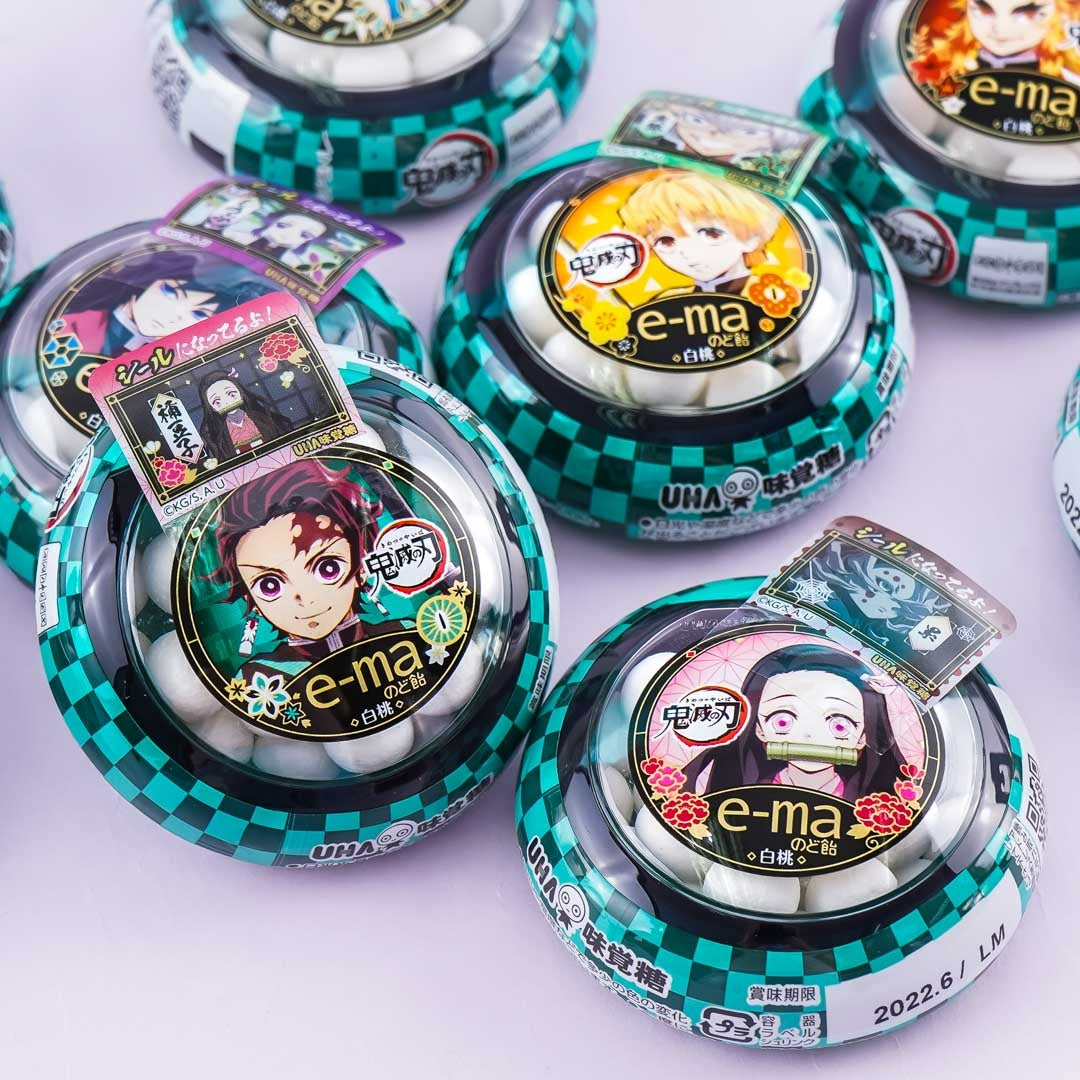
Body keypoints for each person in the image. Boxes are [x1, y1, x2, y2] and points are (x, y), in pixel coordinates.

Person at [211, 460, 385, 677]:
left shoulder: (409, 632)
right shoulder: (255, 678)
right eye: (269, 585)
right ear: (250, 599)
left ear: (361, 565)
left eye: (328, 568)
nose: (306, 598)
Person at [681, 643, 911, 801]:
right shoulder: (741, 795)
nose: (809, 735)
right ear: (759, 729)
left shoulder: (874, 807)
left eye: (839, 726)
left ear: (863, 737)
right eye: (782, 721)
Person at [54, 250, 269, 357]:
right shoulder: (72, 324)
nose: (175, 314)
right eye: (170, 292)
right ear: (150, 281)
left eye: (199, 315)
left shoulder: (165, 362)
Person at [618, 170, 783, 297]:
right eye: (666, 241)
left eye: (711, 234)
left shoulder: (772, 295)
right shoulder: (670, 300)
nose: (688, 252)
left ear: (752, 238)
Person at [915, 0, 1080, 82]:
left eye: (1028, 14)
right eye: (984, 10)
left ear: (1062, 13)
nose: (1001, 29)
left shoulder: (1070, 77)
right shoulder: (942, 66)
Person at [196, 370, 290, 463]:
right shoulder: (220, 438)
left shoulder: (264, 419)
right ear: (212, 408)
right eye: (217, 402)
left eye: (231, 394)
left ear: (240, 393)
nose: (227, 402)